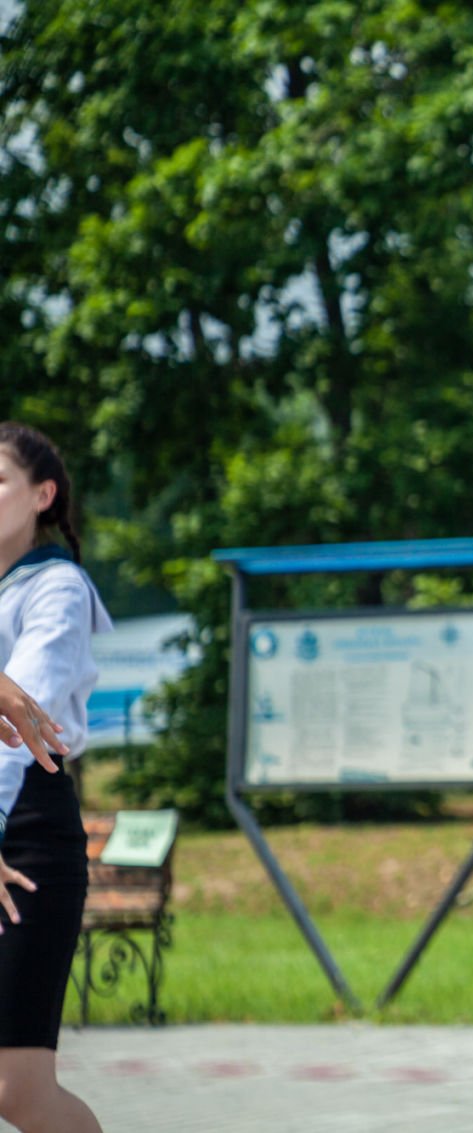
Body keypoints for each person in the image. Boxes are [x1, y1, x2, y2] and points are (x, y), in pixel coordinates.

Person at [0, 422, 111, 1133]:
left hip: (23, 829)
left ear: (42, 495)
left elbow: (19, 729)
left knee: (17, 1089)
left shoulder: (57, 587)